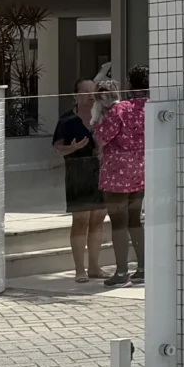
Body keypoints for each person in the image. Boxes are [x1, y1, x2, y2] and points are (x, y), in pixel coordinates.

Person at [94, 66, 150, 286]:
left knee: (119, 222)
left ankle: (121, 272)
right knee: (135, 220)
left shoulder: (121, 109)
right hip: (141, 171)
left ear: (129, 83)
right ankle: (143, 268)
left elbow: (102, 136)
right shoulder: (152, 107)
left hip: (116, 172)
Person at [50, 79, 107, 283]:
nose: (90, 95)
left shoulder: (102, 116)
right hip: (78, 173)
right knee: (81, 220)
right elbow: (58, 148)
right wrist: (72, 148)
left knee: (98, 219)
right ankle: (79, 269)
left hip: (101, 173)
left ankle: (95, 267)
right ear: (75, 95)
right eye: (85, 91)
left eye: (93, 91)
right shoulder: (67, 120)